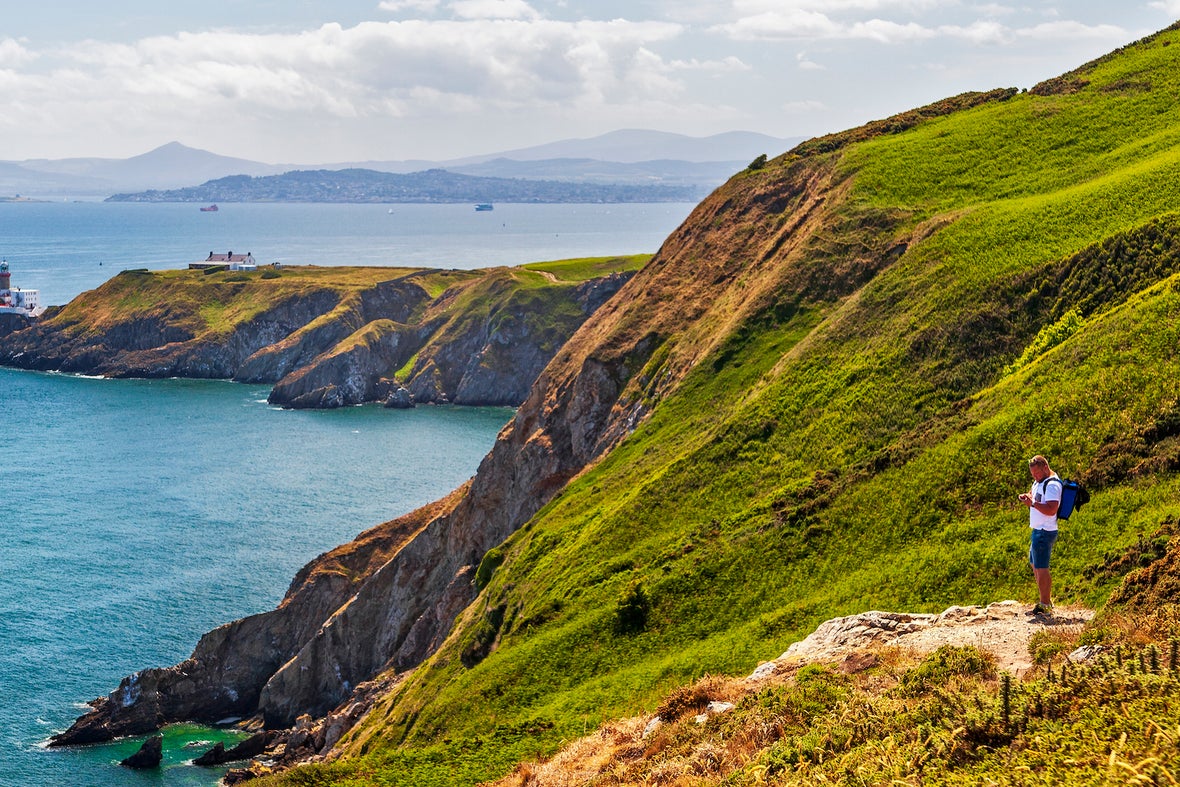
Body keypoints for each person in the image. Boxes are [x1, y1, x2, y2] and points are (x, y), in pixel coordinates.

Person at [1018, 455, 1062, 614]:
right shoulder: (1040, 481)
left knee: (1042, 567)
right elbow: (1034, 495)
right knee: (1034, 563)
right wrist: (1028, 498)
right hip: (1038, 530)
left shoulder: (1052, 485)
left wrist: (1033, 504)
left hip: (1045, 530)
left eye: (1037, 473)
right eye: (1032, 474)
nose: (1035, 477)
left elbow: (1051, 509)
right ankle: (1045, 600)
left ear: (1045, 467)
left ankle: (1045, 604)